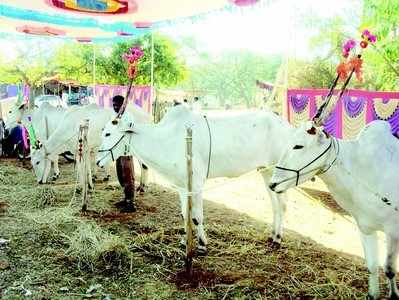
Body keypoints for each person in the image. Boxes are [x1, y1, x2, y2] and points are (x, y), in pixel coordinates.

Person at [112, 95, 136, 213]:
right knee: (121, 176)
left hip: (126, 150)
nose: (115, 107)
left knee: (128, 176)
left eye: (117, 105)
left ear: (123, 105)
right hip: (118, 150)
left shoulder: (129, 116)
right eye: (113, 105)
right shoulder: (115, 115)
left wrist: (121, 125)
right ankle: (126, 198)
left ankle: (130, 203)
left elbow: (130, 132)